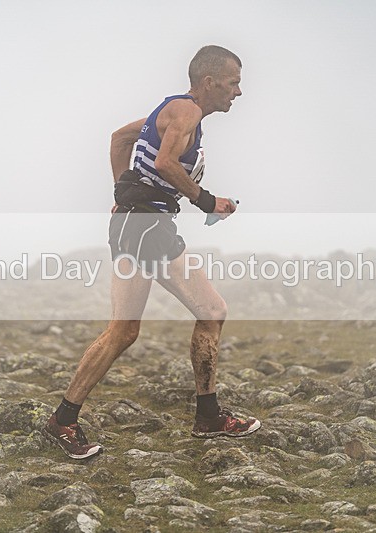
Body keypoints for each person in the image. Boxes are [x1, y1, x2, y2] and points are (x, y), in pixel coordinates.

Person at [43, 45, 260, 459]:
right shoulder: (187, 111)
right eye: (233, 83)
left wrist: (122, 192)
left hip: (133, 223)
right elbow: (164, 163)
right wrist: (207, 200)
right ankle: (209, 417)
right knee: (211, 311)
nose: (238, 92)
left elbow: (121, 137)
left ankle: (62, 421)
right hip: (145, 226)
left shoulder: (172, 112)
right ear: (209, 82)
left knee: (123, 331)